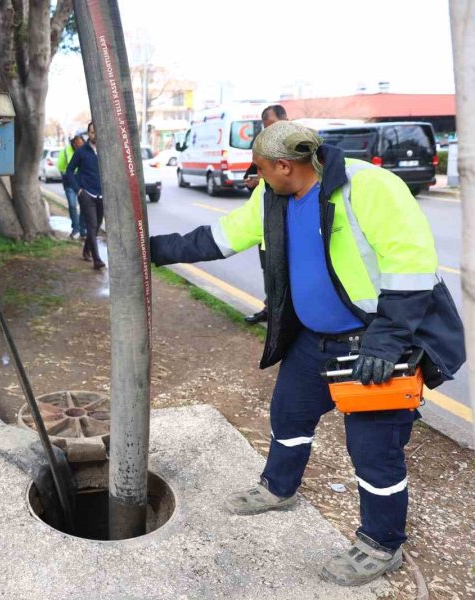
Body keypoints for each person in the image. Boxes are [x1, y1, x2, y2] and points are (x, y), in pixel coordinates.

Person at [149, 121, 464, 586]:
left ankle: (382, 543)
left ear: (284, 165)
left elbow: (411, 268)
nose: (254, 176)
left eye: (259, 168)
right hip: (313, 340)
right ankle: (279, 489)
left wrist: (387, 341)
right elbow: (220, 237)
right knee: (289, 415)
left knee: (374, 451)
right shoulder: (272, 196)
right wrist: (151, 249)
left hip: (372, 343)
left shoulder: (369, 187)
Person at [243, 104, 288, 324]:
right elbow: (253, 171)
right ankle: (270, 309)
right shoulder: (265, 144)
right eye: (265, 127)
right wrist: (253, 181)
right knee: (269, 269)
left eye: (271, 125)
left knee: (287, 270)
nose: (269, 131)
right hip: (267, 220)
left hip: (289, 219)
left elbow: (295, 177)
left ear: (285, 119)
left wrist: (262, 179)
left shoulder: (297, 143)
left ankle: (286, 316)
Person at [66, 122, 105, 270]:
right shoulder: (81, 152)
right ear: (88, 133)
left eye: (97, 131)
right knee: (91, 225)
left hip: (102, 195)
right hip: (87, 195)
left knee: (97, 226)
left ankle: (86, 249)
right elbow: (69, 171)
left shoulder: (105, 151)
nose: (95, 134)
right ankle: (97, 260)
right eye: (92, 132)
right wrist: (78, 190)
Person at [57, 132, 86, 240]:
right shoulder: (65, 151)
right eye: (77, 144)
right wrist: (69, 173)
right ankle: (76, 229)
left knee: (84, 206)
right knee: (72, 206)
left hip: (82, 183)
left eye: (81, 144)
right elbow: (60, 166)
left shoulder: (86, 151)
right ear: (73, 143)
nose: (79, 146)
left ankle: (82, 229)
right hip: (70, 182)